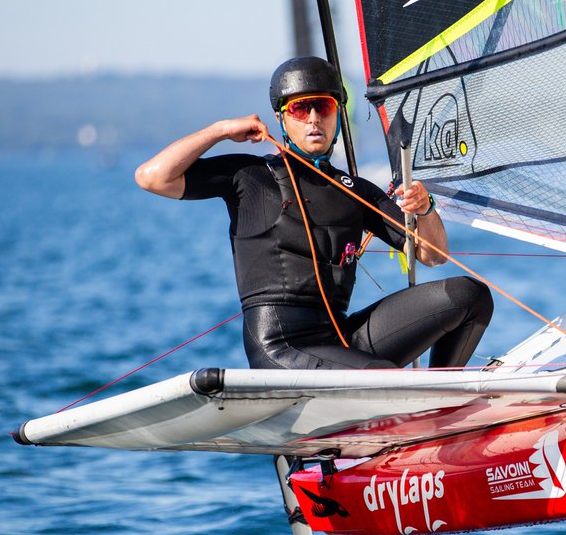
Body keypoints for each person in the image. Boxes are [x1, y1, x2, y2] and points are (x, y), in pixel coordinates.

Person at [134, 56, 493, 370]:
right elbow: (152, 177)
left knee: (469, 296)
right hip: (281, 348)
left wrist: (425, 208)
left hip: (342, 340)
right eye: (299, 109)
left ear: (338, 113)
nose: (312, 119)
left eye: (323, 106)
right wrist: (221, 131)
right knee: (379, 377)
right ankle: (411, 408)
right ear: (282, 118)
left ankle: (439, 408)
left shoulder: (357, 190)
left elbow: (433, 255)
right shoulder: (250, 178)